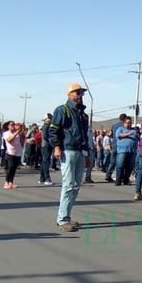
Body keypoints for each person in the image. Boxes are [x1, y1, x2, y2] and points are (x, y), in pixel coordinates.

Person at [49, 83, 91, 232]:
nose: (80, 95)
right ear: (69, 94)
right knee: (68, 185)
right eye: (77, 92)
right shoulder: (62, 110)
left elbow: (85, 135)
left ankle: (67, 215)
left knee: (76, 186)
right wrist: (57, 146)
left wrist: (86, 154)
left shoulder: (83, 114)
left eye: (81, 93)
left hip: (80, 151)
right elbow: (54, 130)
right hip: (67, 150)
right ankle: (62, 219)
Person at [115, 115, 139, 186]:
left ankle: (126, 179)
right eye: (127, 123)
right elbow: (119, 135)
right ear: (124, 123)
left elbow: (138, 138)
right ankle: (118, 180)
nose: (128, 124)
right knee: (120, 165)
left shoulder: (134, 130)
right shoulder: (120, 129)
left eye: (130, 123)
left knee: (130, 166)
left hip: (132, 151)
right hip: (122, 150)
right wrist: (129, 133)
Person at [2, 121, 26, 188]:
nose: (13, 126)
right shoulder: (6, 133)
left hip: (18, 153)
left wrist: (21, 126)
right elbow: (9, 140)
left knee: (14, 169)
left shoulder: (18, 133)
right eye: (12, 124)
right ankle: (6, 182)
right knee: (10, 167)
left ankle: (11, 182)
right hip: (10, 153)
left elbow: (23, 136)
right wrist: (16, 132)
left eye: (14, 124)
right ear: (8, 126)